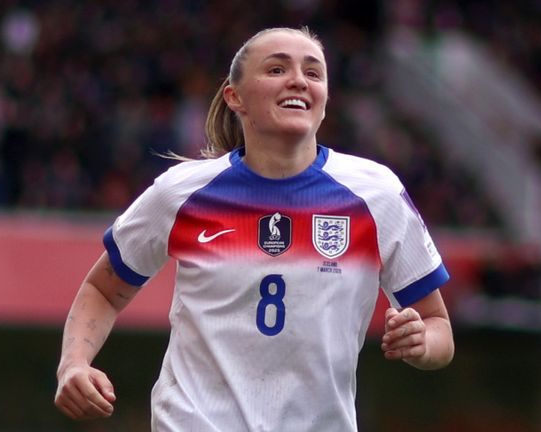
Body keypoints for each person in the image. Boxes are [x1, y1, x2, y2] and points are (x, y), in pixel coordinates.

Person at [54, 26, 454, 431]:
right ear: (235, 97)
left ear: (325, 100)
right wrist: (73, 364)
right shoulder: (181, 192)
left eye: (313, 73)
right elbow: (103, 289)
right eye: (277, 69)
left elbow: (439, 329)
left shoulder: (376, 193)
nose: (299, 79)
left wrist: (421, 342)